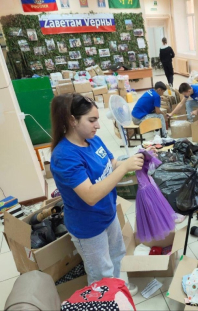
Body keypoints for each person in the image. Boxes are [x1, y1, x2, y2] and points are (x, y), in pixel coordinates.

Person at [50, 94, 145, 293]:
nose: (98, 125)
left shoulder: (93, 140)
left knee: (117, 254)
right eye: (92, 120)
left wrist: (133, 161)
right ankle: (105, 299)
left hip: (108, 214)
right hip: (88, 225)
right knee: (101, 271)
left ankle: (118, 288)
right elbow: (91, 195)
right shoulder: (64, 156)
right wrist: (123, 168)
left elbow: (112, 165)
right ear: (72, 120)